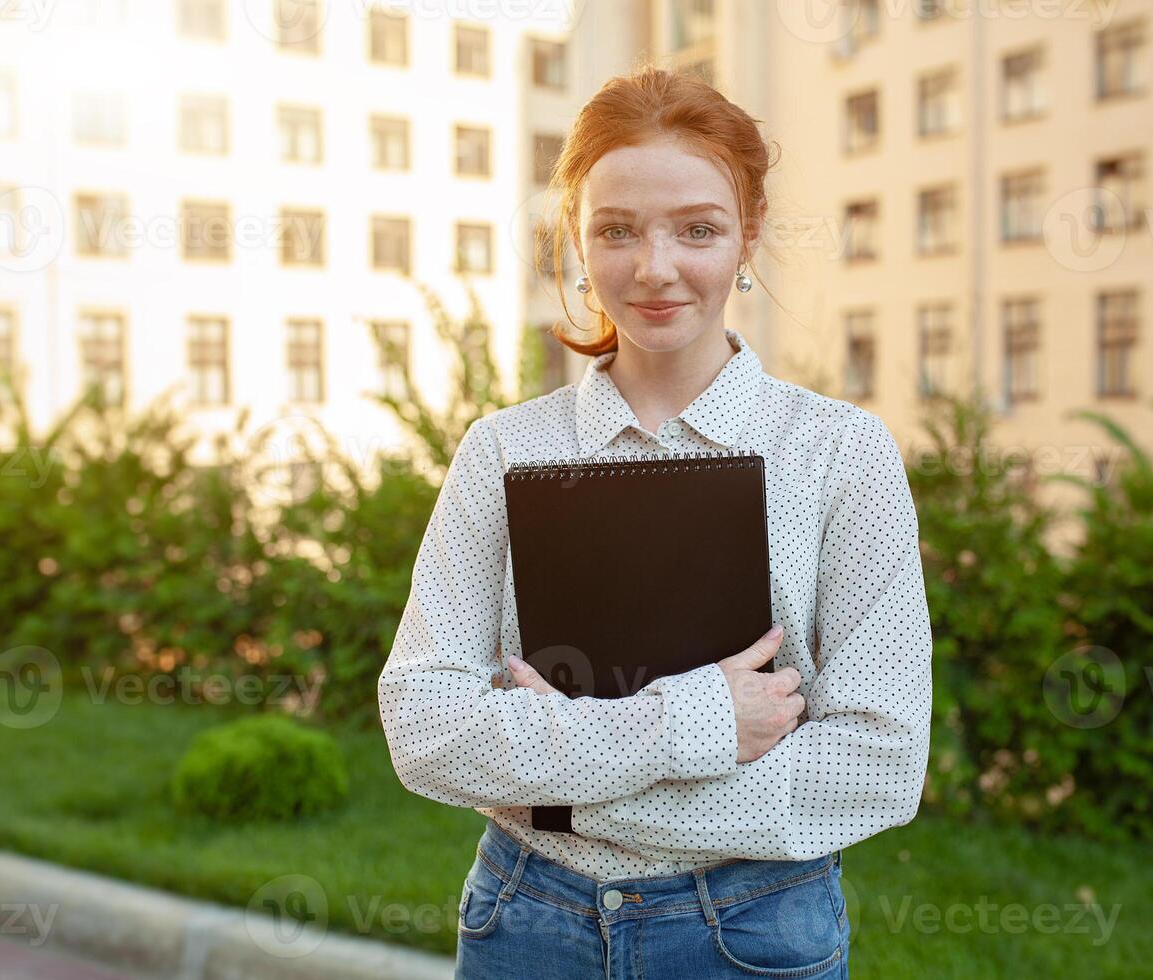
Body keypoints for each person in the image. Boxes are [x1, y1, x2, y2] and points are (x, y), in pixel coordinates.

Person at [377, 63, 933, 979]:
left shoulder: (841, 454)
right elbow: (426, 725)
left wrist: (551, 791)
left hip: (752, 930)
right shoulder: (503, 452)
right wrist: (691, 726)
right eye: (618, 230)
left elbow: (877, 762)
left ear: (749, 236)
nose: (655, 267)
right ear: (578, 240)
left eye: (698, 230)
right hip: (526, 924)